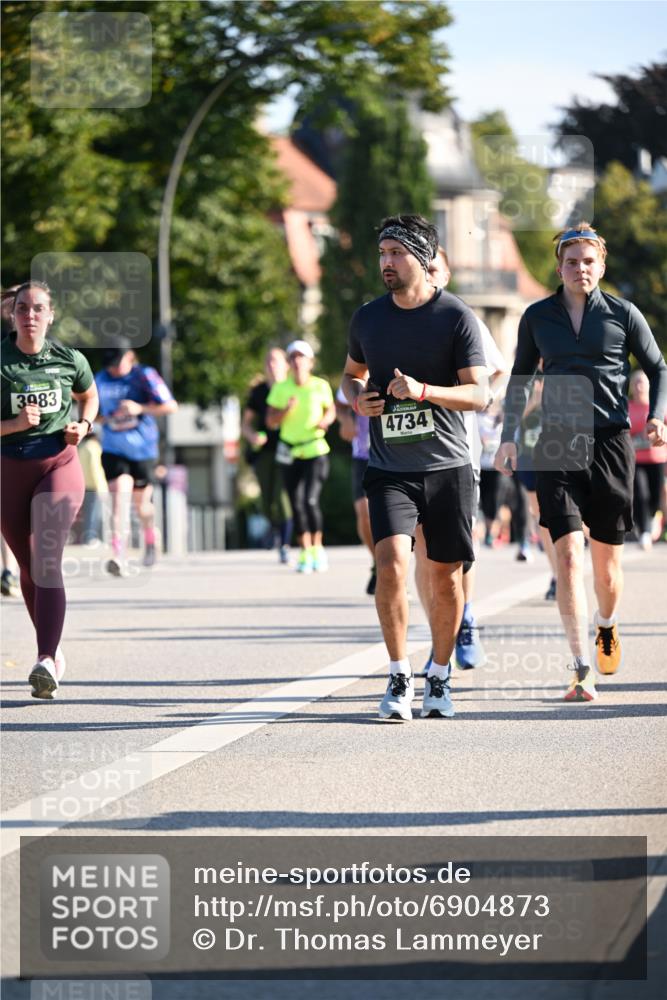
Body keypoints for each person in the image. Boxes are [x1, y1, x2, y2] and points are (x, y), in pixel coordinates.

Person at [494, 222, 667, 702]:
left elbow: (658, 366)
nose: (580, 269)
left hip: (610, 441)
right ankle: (579, 667)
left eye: (589, 261)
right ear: (560, 269)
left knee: (606, 568)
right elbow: (521, 377)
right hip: (557, 440)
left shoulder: (623, 313)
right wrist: (509, 438)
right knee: (569, 554)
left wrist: (657, 415)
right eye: (571, 262)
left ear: (601, 266)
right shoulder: (537, 316)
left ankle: (606, 623)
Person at [341, 214, 489, 721]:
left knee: (445, 577)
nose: (386, 263)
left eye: (396, 253)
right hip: (390, 468)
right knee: (390, 565)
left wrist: (425, 391)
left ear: (423, 259)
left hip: (448, 466)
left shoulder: (456, 316)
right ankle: (399, 673)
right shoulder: (368, 318)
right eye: (382, 254)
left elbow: (480, 394)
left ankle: (440, 675)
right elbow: (350, 374)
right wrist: (357, 398)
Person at [0, 280, 98, 698]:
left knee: (46, 560)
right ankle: (54, 652)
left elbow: (89, 396)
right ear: (12, 314)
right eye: (23, 308)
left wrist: (84, 425)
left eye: (38, 308)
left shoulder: (68, 358)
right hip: (8, 469)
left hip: (59, 464)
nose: (30, 315)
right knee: (28, 568)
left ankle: (44, 659)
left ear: (51, 315)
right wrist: (15, 424)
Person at [413, 246, 507, 672]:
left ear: (446, 276)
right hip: (410, 453)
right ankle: (440, 639)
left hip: (459, 453)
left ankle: (464, 619)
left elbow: (498, 372)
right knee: (421, 551)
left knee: (454, 553)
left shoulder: (461, 318)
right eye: (423, 269)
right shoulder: (395, 320)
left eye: (434, 269)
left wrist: (483, 399)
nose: (428, 276)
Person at [95, 340, 178, 574]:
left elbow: (171, 406)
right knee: (119, 499)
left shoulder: (144, 376)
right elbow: (93, 413)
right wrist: (107, 418)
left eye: (117, 363)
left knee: (141, 505)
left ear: (130, 357)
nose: (113, 368)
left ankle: (150, 539)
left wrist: (139, 408)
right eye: (109, 364)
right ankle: (118, 555)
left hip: (143, 450)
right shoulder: (100, 378)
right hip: (114, 448)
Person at [266, 340, 335, 573]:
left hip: (315, 449)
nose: (297, 361)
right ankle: (305, 551)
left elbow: (330, 409)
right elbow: (270, 421)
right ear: (289, 363)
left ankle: (318, 548)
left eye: (301, 357)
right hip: (290, 451)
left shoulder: (320, 386)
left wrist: (326, 420)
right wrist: (286, 410)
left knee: (310, 500)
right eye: (293, 357)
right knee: (295, 503)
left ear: (310, 362)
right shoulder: (281, 388)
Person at [241, 347, 293, 563]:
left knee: (282, 498)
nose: (272, 365)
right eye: (269, 361)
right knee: (266, 500)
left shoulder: (292, 388)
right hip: (264, 452)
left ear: (286, 365)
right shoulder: (259, 391)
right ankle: (274, 530)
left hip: (289, 449)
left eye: (276, 361)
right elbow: (245, 424)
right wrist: (252, 436)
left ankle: (285, 544)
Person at [335, 385, 375, 594]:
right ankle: (379, 563)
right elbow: (340, 404)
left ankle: (394, 569)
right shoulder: (355, 374)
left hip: (395, 454)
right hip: (363, 455)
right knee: (364, 512)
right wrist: (346, 420)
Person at [628, 369, 667, 550]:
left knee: (655, 496)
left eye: (642, 382)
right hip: (636, 460)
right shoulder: (627, 407)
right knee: (640, 494)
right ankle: (644, 531)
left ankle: (653, 517)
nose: (639, 386)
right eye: (635, 382)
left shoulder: (658, 407)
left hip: (658, 459)